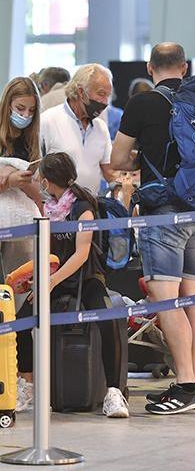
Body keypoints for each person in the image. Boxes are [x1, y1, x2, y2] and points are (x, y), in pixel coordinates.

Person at [111, 42, 195, 415]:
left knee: (165, 299)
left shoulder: (143, 103)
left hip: (164, 212)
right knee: (193, 300)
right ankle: (194, 380)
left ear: (151, 67)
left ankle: (186, 385)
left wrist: (142, 154)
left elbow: (119, 159)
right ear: (184, 67)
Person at [14, 152, 129, 417]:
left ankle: (113, 392)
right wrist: (35, 279)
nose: (41, 184)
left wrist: (52, 282)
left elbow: (82, 254)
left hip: (86, 277)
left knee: (107, 319)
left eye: (42, 179)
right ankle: (29, 387)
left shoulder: (82, 207)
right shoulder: (49, 209)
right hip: (57, 279)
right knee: (21, 321)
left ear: (48, 180)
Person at [40, 63, 116, 195]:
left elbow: (108, 170)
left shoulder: (100, 127)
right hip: (55, 210)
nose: (105, 102)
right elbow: (36, 171)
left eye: (107, 96)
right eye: (101, 94)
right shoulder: (47, 121)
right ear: (81, 92)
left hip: (90, 209)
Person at [0, 78, 43, 291]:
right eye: (20, 108)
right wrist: (9, 180)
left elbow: (38, 189)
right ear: (7, 104)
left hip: (23, 223)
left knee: (18, 285)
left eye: (31, 110)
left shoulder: (32, 140)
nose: (25, 115)